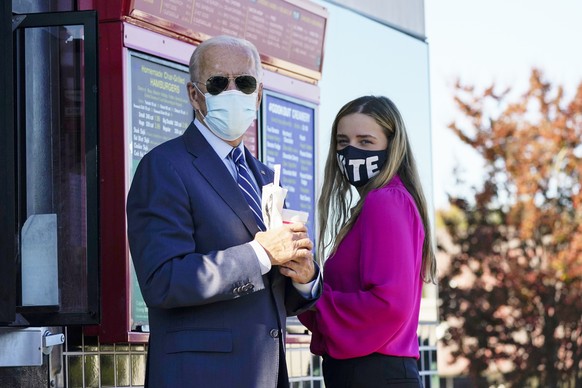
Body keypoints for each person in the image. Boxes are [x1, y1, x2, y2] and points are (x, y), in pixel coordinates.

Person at [126, 35, 321, 388]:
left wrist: (304, 278)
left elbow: (273, 295)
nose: (233, 92)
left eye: (244, 82)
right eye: (218, 82)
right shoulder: (165, 166)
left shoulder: (264, 176)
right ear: (193, 94)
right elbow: (162, 281)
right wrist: (260, 253)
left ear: (258, 93)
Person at [298, 95, 437, 387]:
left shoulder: (384, 201)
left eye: (365, 141)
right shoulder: (384, 203)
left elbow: (389, 305)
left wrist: (315, 294)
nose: (351, 151)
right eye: (342, 141)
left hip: (375, 374)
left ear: (392, 145)